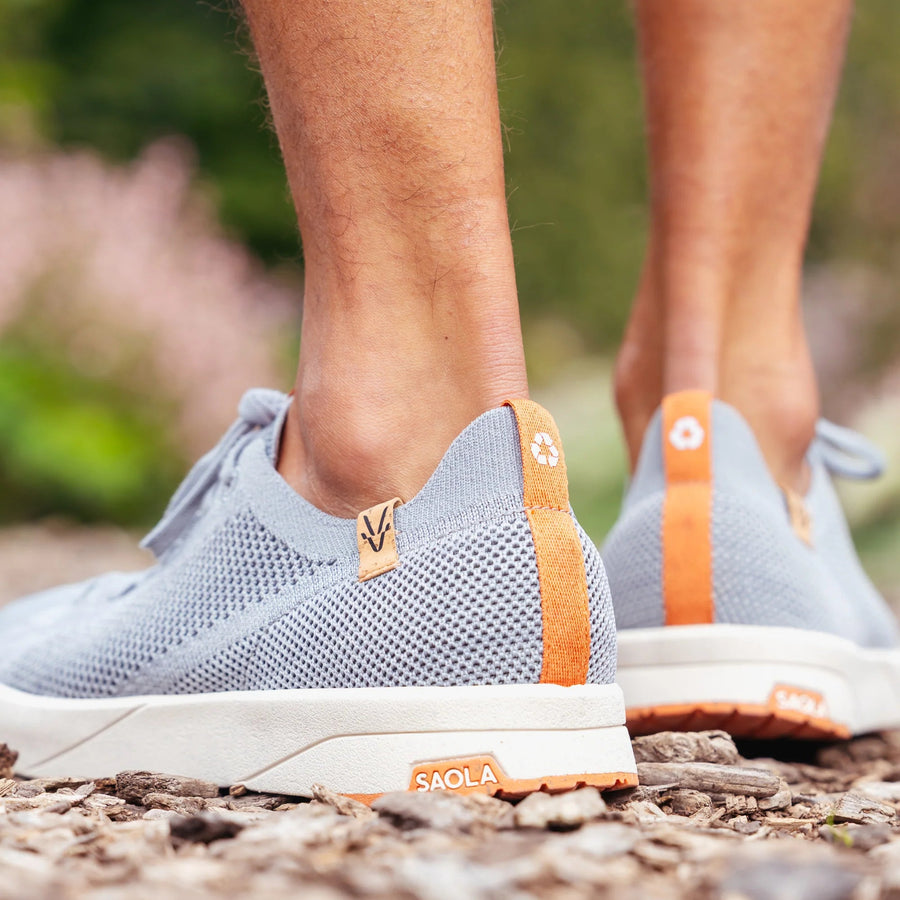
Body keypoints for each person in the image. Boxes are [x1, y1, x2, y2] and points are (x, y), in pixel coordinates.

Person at [0, 0, 897, 797]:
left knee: (403, 420)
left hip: (385, 541)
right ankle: (742, 464)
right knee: (720, 382)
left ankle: (386, 450)